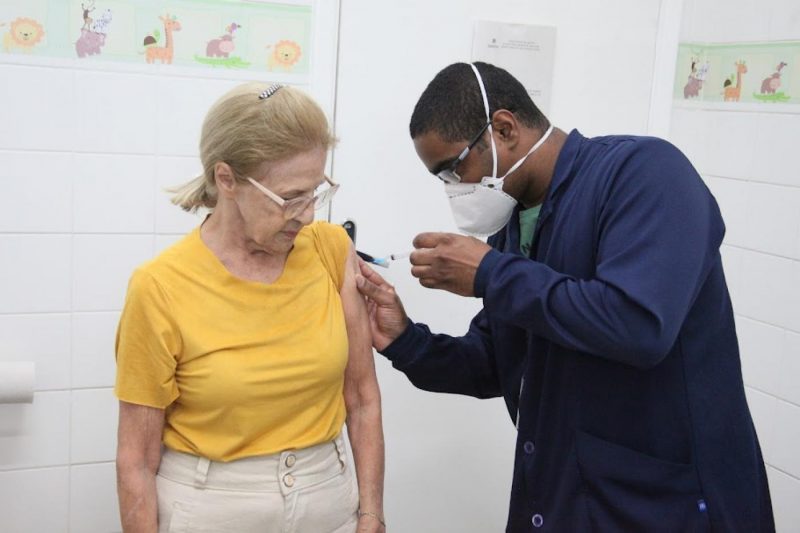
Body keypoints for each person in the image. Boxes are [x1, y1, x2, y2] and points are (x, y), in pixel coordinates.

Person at [355, 62, 773, 532]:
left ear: (504, 129)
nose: (454, 188)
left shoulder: (644, 173)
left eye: (454, 169)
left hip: (664, 505)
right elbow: (494, 361)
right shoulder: (513, 228)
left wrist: (490, 273)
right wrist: (403, 340)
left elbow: (638, 326)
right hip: (562, 499)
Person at [115, 82, 385, 533]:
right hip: (211, 509)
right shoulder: (159, 286)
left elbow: (362, 398)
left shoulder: (330, 249)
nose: (308, 215)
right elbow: (136, 460)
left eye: (315, 192)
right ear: (226, 179)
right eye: (290, 197)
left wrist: (372, 513)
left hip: (329, 503)